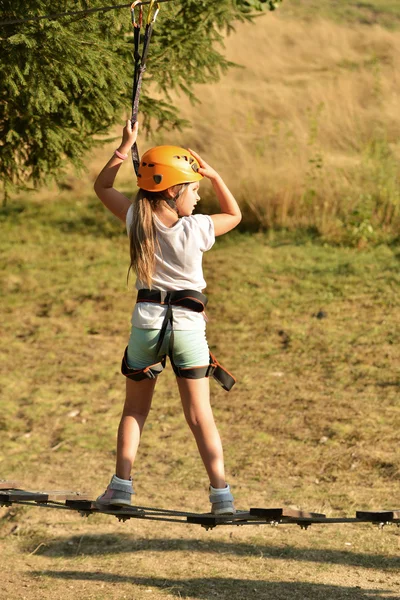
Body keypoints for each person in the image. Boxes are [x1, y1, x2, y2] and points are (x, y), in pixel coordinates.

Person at [93, 120, 241, 514]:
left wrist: (124, 147)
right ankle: (221, 496)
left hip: (147, 322)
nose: (197, 197)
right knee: (199, 414)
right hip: (189, 327)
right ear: (174, 191)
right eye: (193, 189)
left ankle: (121, 487)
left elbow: (103, 188)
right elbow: (235, 214)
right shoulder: (197, 228)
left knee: (135, 410)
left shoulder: (135, 219)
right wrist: (216, 176)